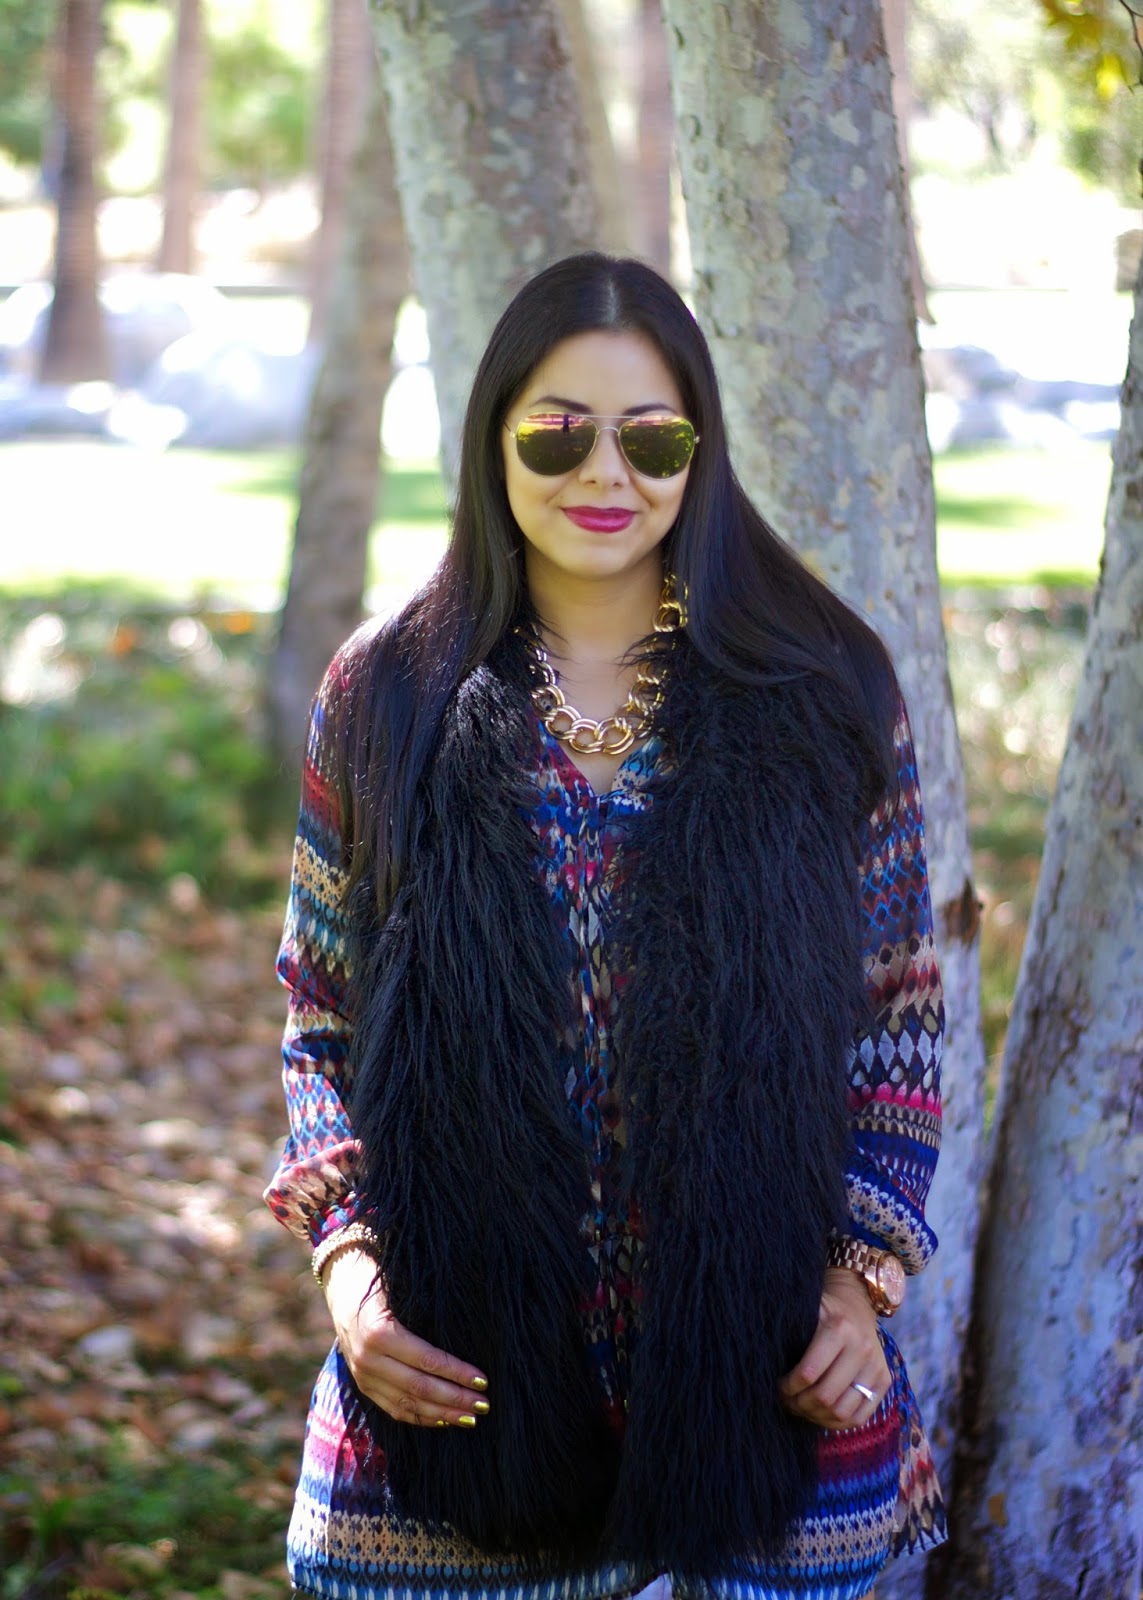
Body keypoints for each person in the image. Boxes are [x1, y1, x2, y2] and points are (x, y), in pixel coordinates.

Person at [265, 252, 947, 1600]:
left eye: (653, 437)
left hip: (771, 1393)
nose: (605, 474)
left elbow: (900, 1020)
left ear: (700, 453)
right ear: (493, 439)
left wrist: (860, 1283)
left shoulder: (826, 689)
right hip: (452, 1391)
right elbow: (317, 1016)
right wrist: (351, 1275)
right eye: (557, 431)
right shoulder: (386, 692)